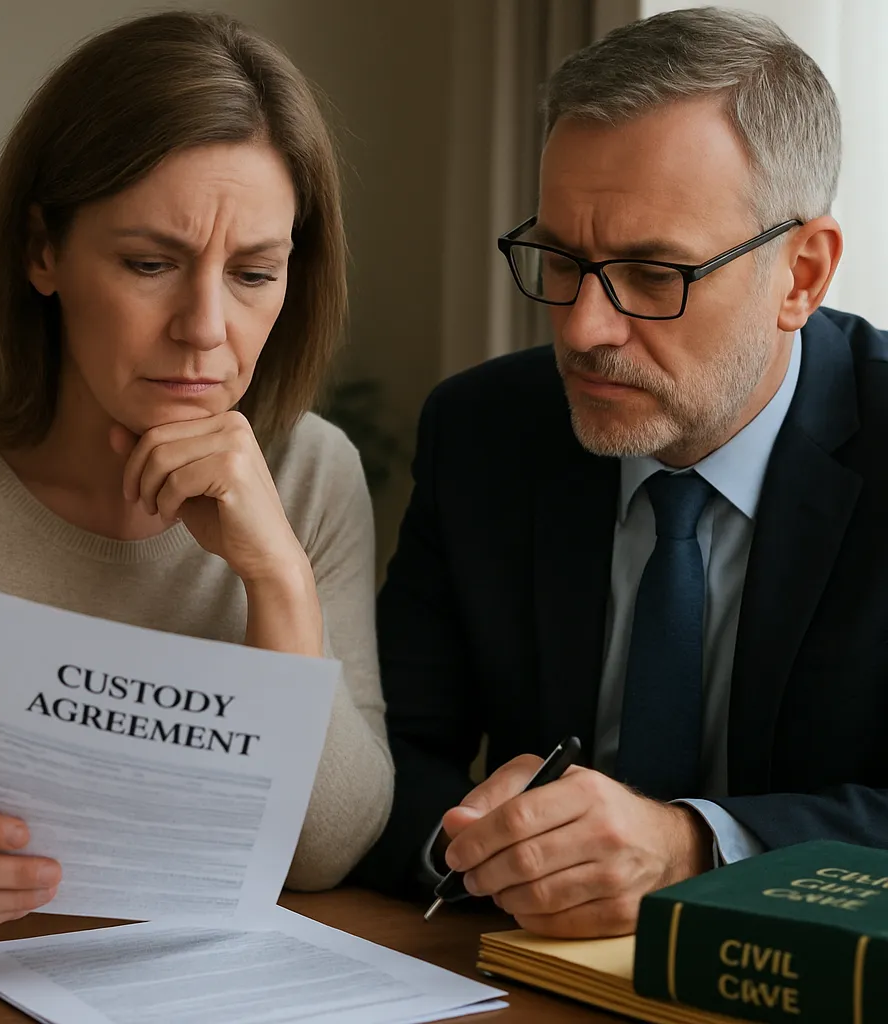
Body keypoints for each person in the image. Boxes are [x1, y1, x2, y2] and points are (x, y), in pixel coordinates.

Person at [0, 11, 393, 952]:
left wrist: (278, 580)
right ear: (42, 252)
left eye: (254, 273)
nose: (204, 327)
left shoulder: (313, 472)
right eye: (150, 264)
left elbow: (325, 852)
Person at [355, 7, 888, 938]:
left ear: (802, 274)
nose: (581, 329)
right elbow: (386, 758)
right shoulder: (483, 432)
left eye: (652, 274)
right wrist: (481, 846)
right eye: (560, 259)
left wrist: (694, 846)